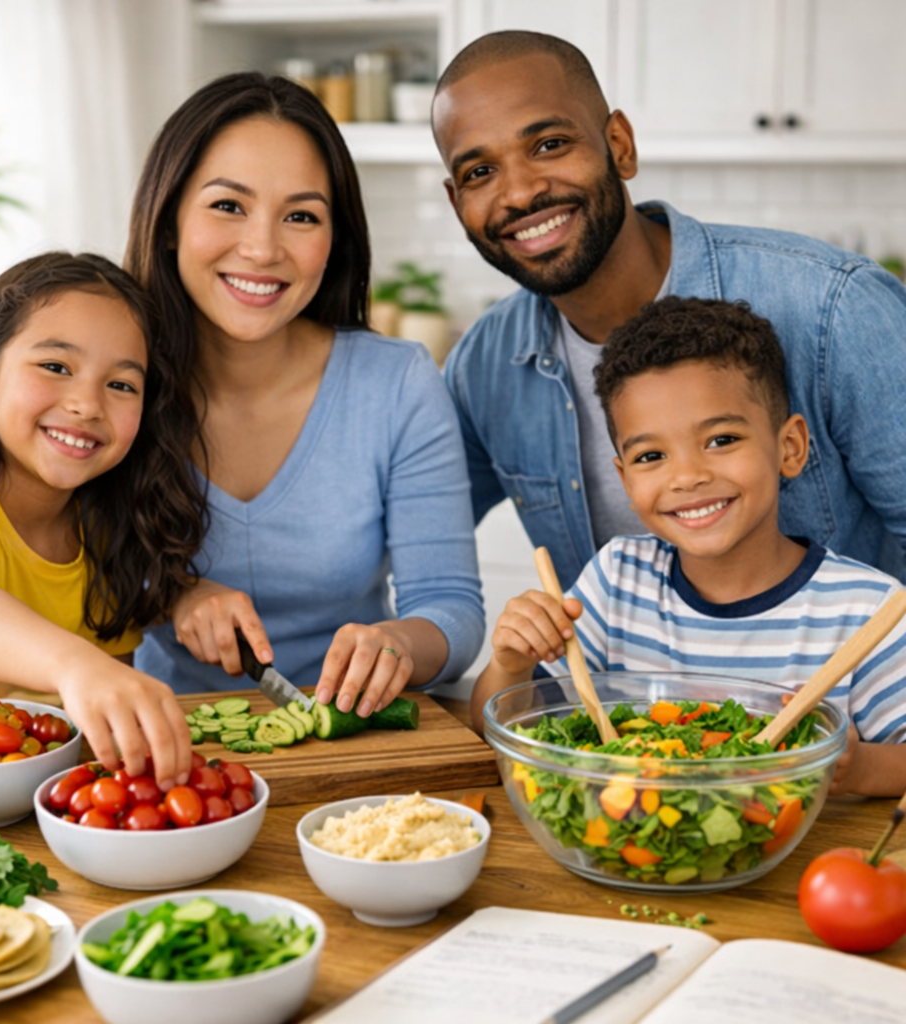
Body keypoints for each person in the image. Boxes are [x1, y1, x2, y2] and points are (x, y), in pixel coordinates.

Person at [432, 30, 906, 591]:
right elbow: (415, 540)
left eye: (550, 144)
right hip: (604, 684)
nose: (519, 193)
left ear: (620, 145)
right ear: (456, 201)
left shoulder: (835, 309)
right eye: (479, 173)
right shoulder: (483, 367)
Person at [125, 72, 483, 718]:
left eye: (300, 216)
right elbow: (70, 570)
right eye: (228, 206)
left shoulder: (397, 383)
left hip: (352, 743)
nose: (263, 249)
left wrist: (399, 642)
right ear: (170, 218)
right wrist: (174, 595)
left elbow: (452, 609)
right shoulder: (117, 382)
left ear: (333, 241)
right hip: (166, 751)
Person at [472, 296, 906, 797]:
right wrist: (510, 663)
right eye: (651, 455)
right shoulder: (616, 580)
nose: (687, 477)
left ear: (790, 448)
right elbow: (503, 725)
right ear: (624, 478)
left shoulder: (867, 609)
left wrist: (859, 768)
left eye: (721, 440)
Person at [0, 252, 206, 790]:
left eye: (122, 385)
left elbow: (91, 734)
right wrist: (78, 666)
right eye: (56, 367)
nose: (86, 404)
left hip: (23, 819)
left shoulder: (108, 535)